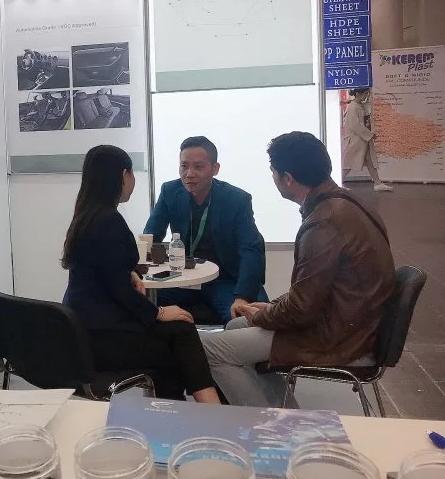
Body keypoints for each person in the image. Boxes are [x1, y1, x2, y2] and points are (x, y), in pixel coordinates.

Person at [200, 132, 396, 407]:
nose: (273, 178)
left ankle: (269, 424)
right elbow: (311, 292)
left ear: (288, 178)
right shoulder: (348, 203)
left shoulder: (324, 222)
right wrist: (270, 308)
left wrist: (264, 315)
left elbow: (302, 309)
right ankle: (285, 414)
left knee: (209, 349)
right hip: (353, 325)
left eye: (273, 172)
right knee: (235, 324)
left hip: (339, 338)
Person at [62, 145, 221, 404]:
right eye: (132, 173)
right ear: (123, 175)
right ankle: (211, 412)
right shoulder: (109, 221)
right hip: (103, 337)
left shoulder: (86, 217)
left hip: (83, 331)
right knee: (181, 332)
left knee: (176, 339)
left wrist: (130, 272)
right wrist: (157, 312)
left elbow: (107, 269)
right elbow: (119, 290)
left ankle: (174, 413)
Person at [144, 136, 267, 324]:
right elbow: (150, 237)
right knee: (137, 306)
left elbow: (251, 250)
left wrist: (242, 296)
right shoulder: (170, 191)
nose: (189, 174)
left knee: (248, 321)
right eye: (184, 166)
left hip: (223, 279)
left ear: (215, 169)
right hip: (181, 277)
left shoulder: (236, 199)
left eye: (198, 167)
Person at [343, 88, 393, 192]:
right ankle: (337, 182)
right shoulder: (353, 107)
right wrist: (369, 135)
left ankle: (377, 183)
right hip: (356, 140)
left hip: (362, 140)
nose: (367, 96)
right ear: (358, 93)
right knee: (348, 162)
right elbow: (355, 125)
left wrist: (370, 133)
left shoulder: (360, 105)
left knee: (369, 160)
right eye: (365, 93)